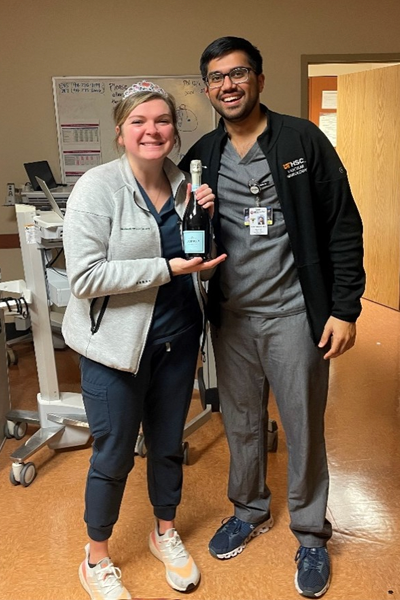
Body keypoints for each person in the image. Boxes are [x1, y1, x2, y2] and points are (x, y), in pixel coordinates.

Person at [180, 37, 365, 598]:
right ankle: (250, 509)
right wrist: (197, 223)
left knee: (304, 427)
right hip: (231, 319)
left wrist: (345, 308)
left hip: (293, 315)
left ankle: (311, 534)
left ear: (260, 80)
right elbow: (190, 234)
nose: (227, 85)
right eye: (215, 77)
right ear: (207, 88)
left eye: (238, 74)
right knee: (240, 424)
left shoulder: (301, 140)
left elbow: (342, 225)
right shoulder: (204, 152)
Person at [62, 80, 226, 600]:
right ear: (121, 132)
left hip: (177, 341)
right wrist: (165, 268)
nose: (151, 130)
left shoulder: (187, 188)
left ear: (175, 132)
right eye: (139, 122)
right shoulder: (98, 187)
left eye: (161, 121)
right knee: (112, 453)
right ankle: (97, 558)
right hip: (115, 350)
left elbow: (198, 259)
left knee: (167, 445)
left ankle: (164, 531)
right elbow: (84, 278)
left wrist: (208, 218)